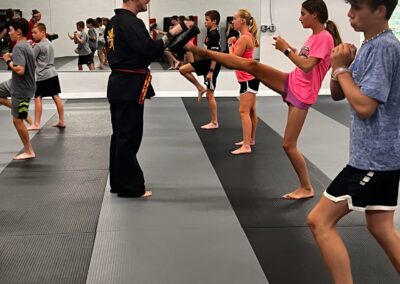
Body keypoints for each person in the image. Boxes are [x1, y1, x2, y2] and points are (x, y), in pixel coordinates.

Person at [187, 0, 342, 198]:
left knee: (288, 144)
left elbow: (307, 66)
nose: (300, 17)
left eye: (303, 13)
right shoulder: (314, 37)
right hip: (292, 82)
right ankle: (208, 53)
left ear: (315, 15)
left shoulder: (325, 38)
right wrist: (291, 49)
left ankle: (307, 188)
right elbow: (304, 60)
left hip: (303, 94)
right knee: (252, 66)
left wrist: (285, 50)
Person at [307, 1, 400, 283]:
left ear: (381, 11)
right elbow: (339, 93)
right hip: (376, 156)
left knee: (319, 221)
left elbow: (364, 106)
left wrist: (341, 69)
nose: (349, 14)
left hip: (375, 159)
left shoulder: (384, 47)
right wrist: (340, 66)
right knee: (380, 226)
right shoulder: (369, 45)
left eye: (357, 7)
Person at [105, 0, 199, 198]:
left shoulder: (114, 21)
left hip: (120, 84)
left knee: (121, 135)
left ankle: (119, 182)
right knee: (129, 136)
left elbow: (145, 50)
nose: (148, 0)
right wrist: (177, 30)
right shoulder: (131, 22)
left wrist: (180, 33)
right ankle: (130, 187)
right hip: (129, 84)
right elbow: (150, 51)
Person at [0, 18, 36, 160]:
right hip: (14, 84)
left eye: (11, 31)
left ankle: (29, 150)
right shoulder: (24, 44)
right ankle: (23, 113)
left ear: (19, 32)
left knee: (16, 121)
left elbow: (20, 70)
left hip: (22, 89)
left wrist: (8, 59)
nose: (9, 33)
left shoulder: (20, 47)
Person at [179, 10, 222, 129]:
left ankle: (214, 122)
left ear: (214, 21)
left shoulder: (214, 35)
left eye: (207, 20)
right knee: (183, 69)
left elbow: (215, 55)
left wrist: (211, 72)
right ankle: (199, 87)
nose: (205, 22)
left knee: (210, 94)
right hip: (205, 63)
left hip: (211, 66)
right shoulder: (210, 32)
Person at [228, 9, 260, 155]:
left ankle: (246, 145)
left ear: (242, 21)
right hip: (250, 78)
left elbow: (233, 61)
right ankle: (250, 140)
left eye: (235, 19)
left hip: (247, 79)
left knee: (243, 111)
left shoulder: (243, 38)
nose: (232, 21)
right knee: (251, 111)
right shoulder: (248, 36)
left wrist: (230, 45)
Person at [28, 23, 65, 131]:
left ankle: (36, 124)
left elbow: (30, 59)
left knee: (37, 97)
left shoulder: (39, 46)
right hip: (53, 73)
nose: (33, 35)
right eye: (32, 33)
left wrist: (30, 47)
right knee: (56, 96)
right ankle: (62, 121)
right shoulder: (49, 43)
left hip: (43, 75)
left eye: (35, 33)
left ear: (43, 33)